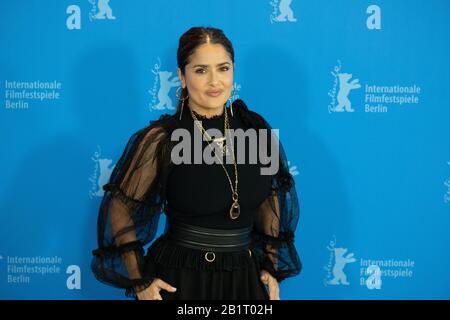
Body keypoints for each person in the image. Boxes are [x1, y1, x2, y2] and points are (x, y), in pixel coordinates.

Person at [91, 26, 302, 300]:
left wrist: (271, 267)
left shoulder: (255, 131)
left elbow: (270, 200)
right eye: (201, 70)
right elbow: (119, 207)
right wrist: (140, 281)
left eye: (223, 68)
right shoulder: (164, 137)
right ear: (182, 76)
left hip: (243, 279)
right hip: (182, 279)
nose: (215, 81)